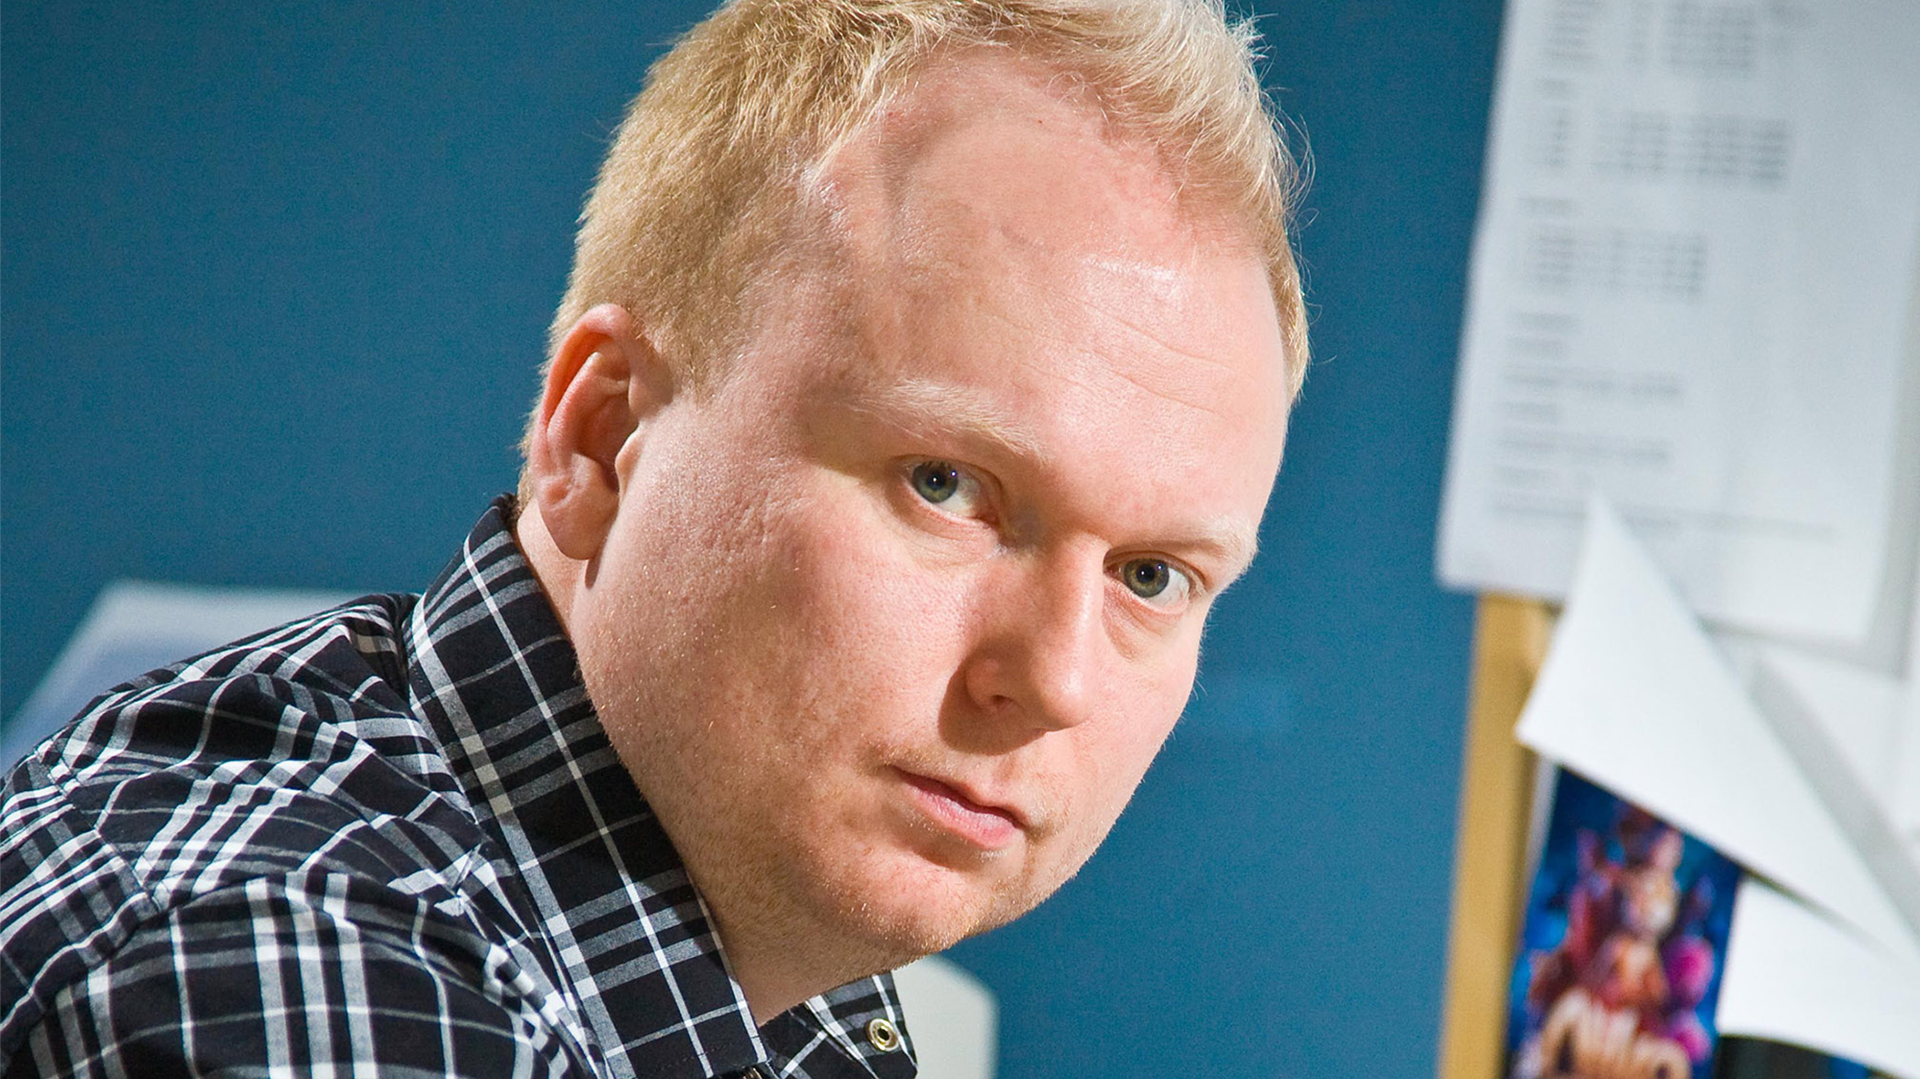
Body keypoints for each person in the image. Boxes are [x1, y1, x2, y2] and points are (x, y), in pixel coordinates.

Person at [0, 1, 1308, 1076]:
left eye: (1151, 576)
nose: (1055, 678)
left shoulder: (770, 977)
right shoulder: (281, 971)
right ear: (605, 436)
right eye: (946, 484)